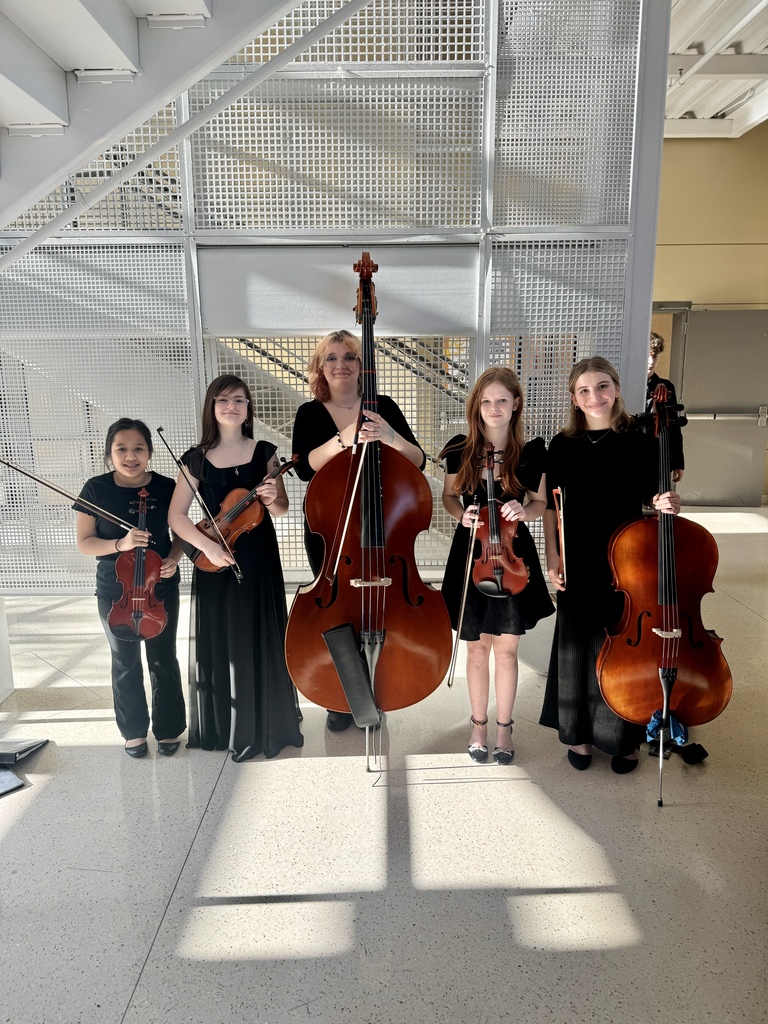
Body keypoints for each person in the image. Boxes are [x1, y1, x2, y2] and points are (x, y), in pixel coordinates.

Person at [541, 356, 681, 773]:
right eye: (584, 390)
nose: (594, 396)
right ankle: (580, 735)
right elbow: (551, 510)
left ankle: (625, 739)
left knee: (622, 650)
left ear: (617, 390)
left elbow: (655, 499)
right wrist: (552, 557)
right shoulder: (561, 445)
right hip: (577, 558)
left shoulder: (641, 441)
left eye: (602, 387)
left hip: (626, 563)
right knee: (577, 645)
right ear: (574, 398)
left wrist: (665, 502)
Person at [291, 329, 426, 731]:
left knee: (379, 611)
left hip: (382, 530)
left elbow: (417, 460)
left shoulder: (382, 406)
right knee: (338, 613)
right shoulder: (310, 412)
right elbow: (302, 468)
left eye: (349, 357)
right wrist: (342, 439)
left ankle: (376, 692)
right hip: (331, 531)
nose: (341, 365)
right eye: (331, 358)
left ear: (361, 365)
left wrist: (388, 435)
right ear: (320, 366)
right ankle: (341, 699)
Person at [167, 374, 303, 761]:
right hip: (214, 556)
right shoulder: (196, 457)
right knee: (226, 638)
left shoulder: (264, 452)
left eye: (239, 400)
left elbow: (280, 509)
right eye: (223, 399)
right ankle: (232, 727)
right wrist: (207, 546)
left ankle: (267, 724)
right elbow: (177, 516)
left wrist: (274, 494)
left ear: (248, 408)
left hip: (258, 556)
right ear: (212, 406)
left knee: (259, 633)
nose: (232, 406)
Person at [440, 368, 554, 764]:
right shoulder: (460, 449)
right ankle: (478, 726)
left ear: (516, 404)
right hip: (472, 555)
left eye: (502, 400)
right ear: (477, 406)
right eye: (486, 401)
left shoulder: (533, 452)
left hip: (511, 558)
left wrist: (525, 509)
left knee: (506, 651)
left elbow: (540, 504)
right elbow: (449, 497)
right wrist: (461, 516)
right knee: (476, 651)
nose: (494, 407)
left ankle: (504, 729)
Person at [76, 418, 186, 758]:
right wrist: (120, 545)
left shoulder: (167, 487)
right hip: (116, 590)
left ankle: (168, 729)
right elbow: (85, 542)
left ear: (150, 452)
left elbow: (181, 530)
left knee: (162, 656)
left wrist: (175, 556)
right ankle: (133, 731)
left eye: (138, 448)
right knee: (124, 660)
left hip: (159, 587)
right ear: (110, 454)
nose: (130, 455)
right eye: (121, 448)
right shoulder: (95, 489)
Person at [647, 332, 684, 482]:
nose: (651, 362)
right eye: (647, 355)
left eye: (654, 356)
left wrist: (678, 462)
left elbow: (673, 426)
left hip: (658, 456)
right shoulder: (621, 384)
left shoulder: (666, 386)